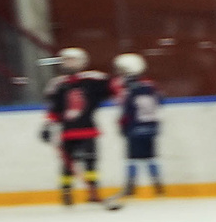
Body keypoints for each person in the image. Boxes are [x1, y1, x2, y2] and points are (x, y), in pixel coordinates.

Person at [39, 46, 113, 206]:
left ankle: (93, 192)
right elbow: (54, 109)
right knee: (67, 164)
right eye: (66, 60)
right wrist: (47, 125)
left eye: (72, 60)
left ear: (82, 62)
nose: (69, 63)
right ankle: (66, 192)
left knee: (91, 161)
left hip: (88, 129)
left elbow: (111, 89)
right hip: (68, 132)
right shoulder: (58, 85)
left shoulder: (93, 80)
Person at [114, 52, 164, 196]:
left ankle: (130, 186)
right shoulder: (150, 85)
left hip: (134, 126)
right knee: (151, 157)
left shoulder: (128, 88)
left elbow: (126, 108)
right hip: (151, 126)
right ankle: (158, 185)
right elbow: (159, 101)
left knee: (132, 158)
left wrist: (122, 125)